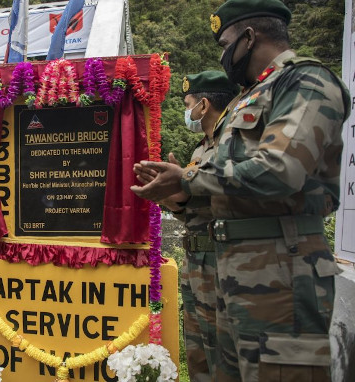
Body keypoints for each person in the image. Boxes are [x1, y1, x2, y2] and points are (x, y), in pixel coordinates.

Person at [131, 0, 350, 380]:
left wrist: (186, 179)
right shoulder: (248, 99)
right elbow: (229, 185)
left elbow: (281, 169)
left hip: (284, 271)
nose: (224, 55)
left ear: (249, 37)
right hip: (232, 273)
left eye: (225, 43)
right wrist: (181, 198)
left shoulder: (306, 81)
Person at [135, 71, 238, 381]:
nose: (187, 111)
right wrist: (175, 200)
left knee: (226, 358)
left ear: (203, 106)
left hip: (227, 266)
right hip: (199, 264)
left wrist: (183, 182)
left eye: (187, 104)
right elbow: (200, 213)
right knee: (201, 358)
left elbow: (237, 200)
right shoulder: (199, 151)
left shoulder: (233, 143)